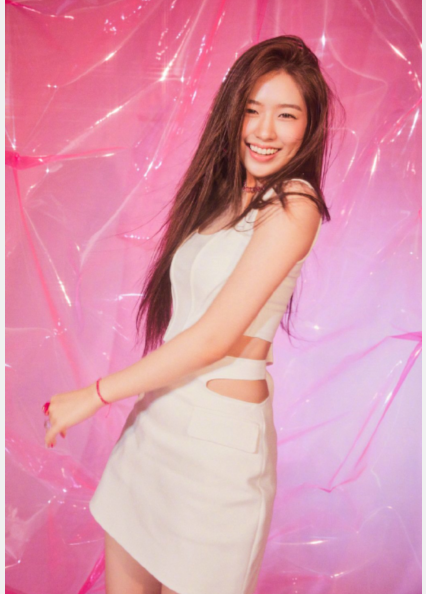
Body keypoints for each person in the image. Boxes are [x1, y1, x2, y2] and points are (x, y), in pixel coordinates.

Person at [43, 35, 340, 594]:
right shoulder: (223, 197)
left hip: (217, 456)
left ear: (309, 126)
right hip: (156, 427)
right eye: (251, 109)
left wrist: (95, 395)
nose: (264, 130)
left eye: (286, 115)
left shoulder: (294, 204)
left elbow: (213, 337)